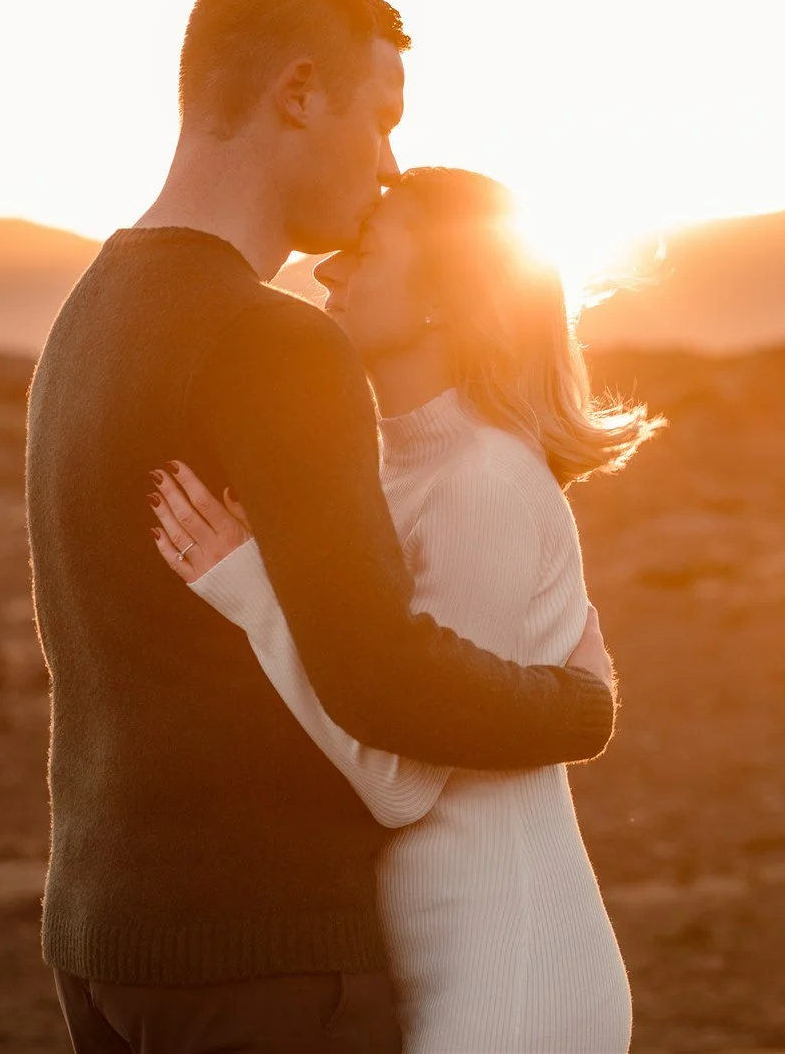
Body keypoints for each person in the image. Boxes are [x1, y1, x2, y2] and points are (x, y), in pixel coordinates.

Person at [27, 0, 618, 1053]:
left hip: (104, 938)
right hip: (258, 953)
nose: (386, 163)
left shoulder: (91, 311)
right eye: (381, 119)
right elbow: (380, 675)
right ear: (299, 94)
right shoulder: (274, 341)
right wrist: (581, 708)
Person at [146, 166, 658, 1052]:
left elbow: (399, 785)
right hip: (438, 959)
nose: (326, 272)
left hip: (511, 973)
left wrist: (248, 587)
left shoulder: (483, 483)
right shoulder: (393, 470)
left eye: (364, 251)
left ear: (442, 298)